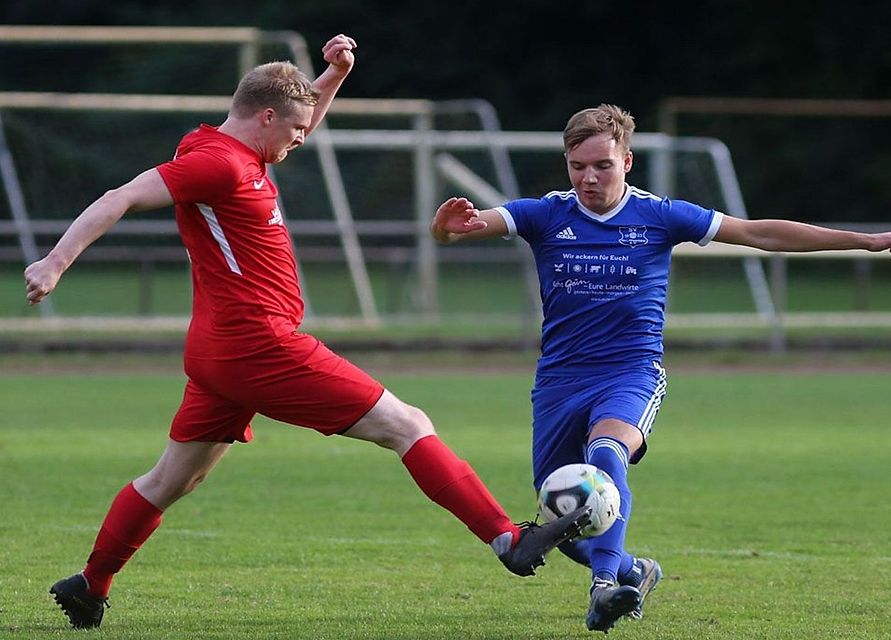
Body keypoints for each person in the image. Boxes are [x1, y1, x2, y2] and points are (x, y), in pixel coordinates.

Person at [26, 34, 592, 631]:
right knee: (406, 424)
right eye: (296, 129)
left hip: (221, 350)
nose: (303, 137)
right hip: (258, 345)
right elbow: (119, 197)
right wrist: (55, 262)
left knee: (173, 478)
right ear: (266, 117)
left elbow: (294, 114)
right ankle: (507, 539)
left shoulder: (230, 148)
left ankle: (90, 585)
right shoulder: (217, 164)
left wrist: (333, 76)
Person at [430, 103, 891, 633]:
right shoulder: (544, 214)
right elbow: (466, 228)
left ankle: (603, 588)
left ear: (627, 162)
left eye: (602, 166)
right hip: (558, 382)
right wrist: (446, 230)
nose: (589, 178)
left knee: (606, 453)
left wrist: (866, 240)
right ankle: (632, 571)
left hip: (630, 372)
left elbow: (761, 234)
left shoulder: (661, 216)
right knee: (563, 515)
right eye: (578, 166)